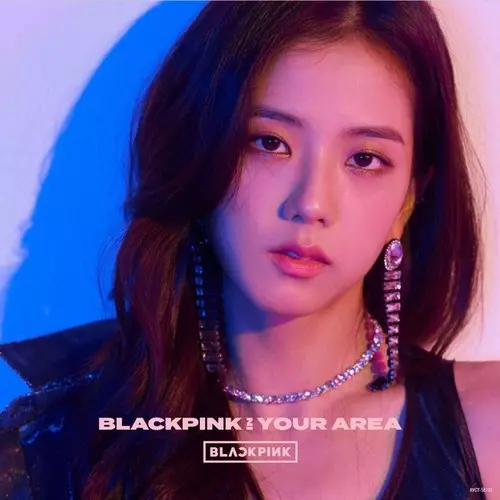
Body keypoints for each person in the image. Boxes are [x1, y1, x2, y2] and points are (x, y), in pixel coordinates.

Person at [0, 1, 498, 498]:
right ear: (201, 153)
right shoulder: (57, 444)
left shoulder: (486, 427)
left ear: (410, 195)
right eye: (269, 143)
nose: (310, 203)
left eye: (364, 159)